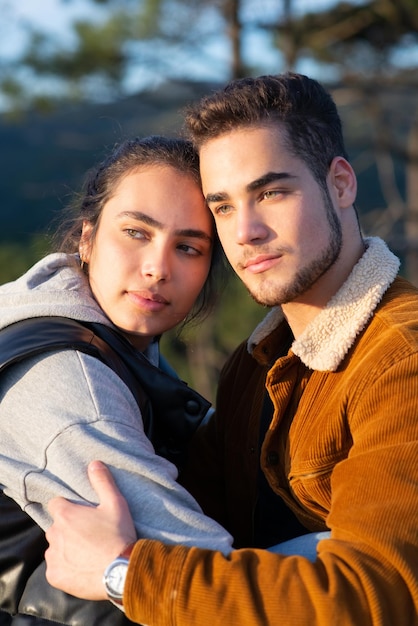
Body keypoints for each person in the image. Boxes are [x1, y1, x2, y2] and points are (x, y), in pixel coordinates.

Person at [45, 72, 418, 625]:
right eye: (221, 207)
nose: (245, 231)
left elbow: (374, 597)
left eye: (271, 192)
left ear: (340, 184)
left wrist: (124, 573)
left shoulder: (401, 359)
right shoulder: (255, 364)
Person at [0, 135, 234, 626]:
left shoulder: (117, 342)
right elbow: (207, 579)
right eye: (136, 232)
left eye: (189, 247)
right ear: (86, 238)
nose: (157, 268)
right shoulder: (69, 383)